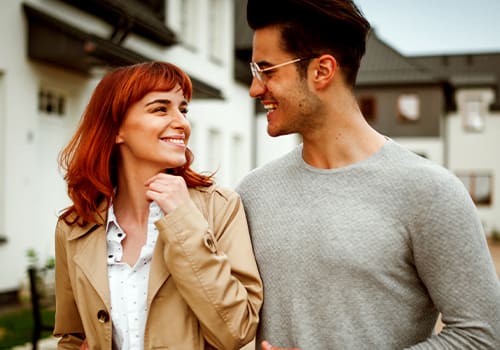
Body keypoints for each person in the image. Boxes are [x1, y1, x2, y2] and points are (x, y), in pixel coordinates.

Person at [236, 0, 500, 349]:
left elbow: (482, 335)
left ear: (322, 71)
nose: (255, 88)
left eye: (267, 72)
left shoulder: (429, 191)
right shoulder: (253, 192)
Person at [54, 61, 263, 349]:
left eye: (183, 109)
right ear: (116, 130)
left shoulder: (221, 207)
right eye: (160, 109)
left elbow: (236, 330)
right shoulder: (75, 227)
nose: (181, 122)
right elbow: (72, 337)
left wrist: (183, 221)